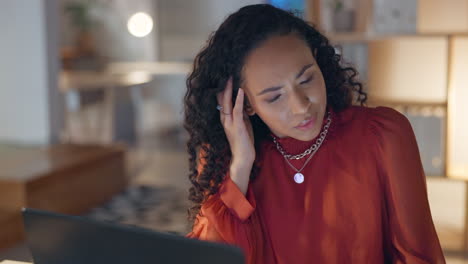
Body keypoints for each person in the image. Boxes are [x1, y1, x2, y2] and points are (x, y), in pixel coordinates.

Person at [183, 4, 445, 264]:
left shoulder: (383, 135)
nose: (301, 106)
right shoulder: (226, 159)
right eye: (275, 97)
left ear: (319, 62)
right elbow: (210, 257)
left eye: (306, 79)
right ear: (246, 105)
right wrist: (240, 167)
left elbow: (419, 257)